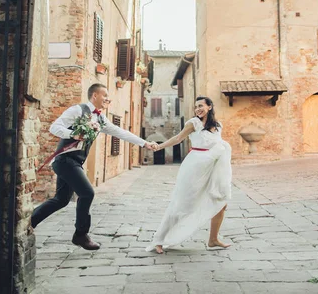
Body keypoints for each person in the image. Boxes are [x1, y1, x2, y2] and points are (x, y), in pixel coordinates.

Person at [31, 83, 157, 250]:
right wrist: (73, 133)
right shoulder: (77, 110)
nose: (108, 99)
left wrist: (144, 143)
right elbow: (54, 127)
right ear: (94, 96)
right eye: (104, 95)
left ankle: (29, 223)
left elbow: (120, 132)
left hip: (75, 162)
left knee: (61, 200)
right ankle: (80, 235)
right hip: (65, 160)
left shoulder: (100, 119)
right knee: (87, 193)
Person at [146, 96, 232, 254]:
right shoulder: (193, 123)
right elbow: (178, 138)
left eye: (201, 105)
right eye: (196, 106)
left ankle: (213, 239)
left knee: (221, 201)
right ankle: (158, 240)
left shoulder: (218, 126)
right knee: (182, 205)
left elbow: (218, 145)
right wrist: (160, 146)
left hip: (213, 169)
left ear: (210, 107)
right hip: (194, 168)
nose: (198, 109)